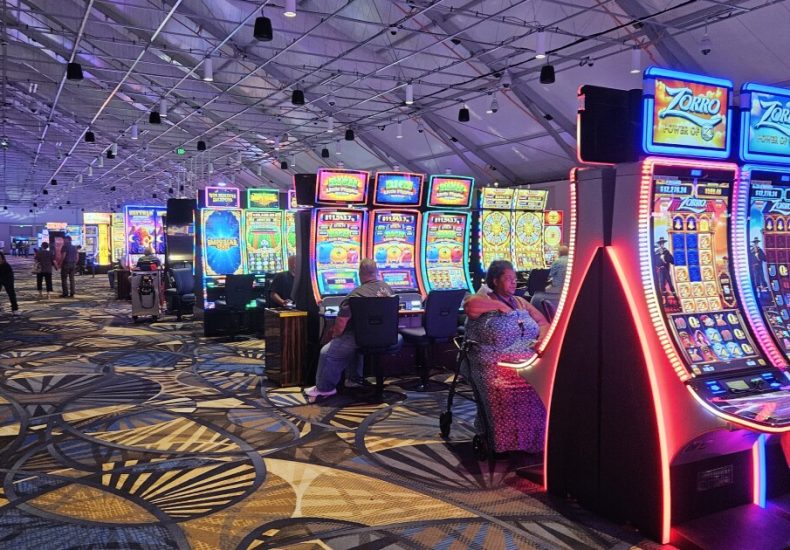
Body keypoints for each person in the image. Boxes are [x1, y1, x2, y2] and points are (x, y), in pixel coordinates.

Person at [462, 260, 549, 454]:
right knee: (503, 390)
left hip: (526, 363)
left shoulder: (520, 301)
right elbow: (470, 306)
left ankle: (532, 441)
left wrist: (542, 340)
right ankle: (505, 444)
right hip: (493, 366)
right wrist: (499, 306)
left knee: (541, 386)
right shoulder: (483, 298)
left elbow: (543, 322)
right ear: (495, 280)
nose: (513, 282)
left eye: (515, 278)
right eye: (508, 278)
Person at [305, 259, 395, 400]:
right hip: (386, 336)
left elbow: (341, 324)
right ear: (376, 271)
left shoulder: (355, 295)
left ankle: (324, 388)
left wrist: (334, 336)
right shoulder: (388, 289)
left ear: (359, 273)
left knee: (327, 352)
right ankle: (354, 379)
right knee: (353, 343)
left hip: (361, 337)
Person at [530, 244, 569, 315]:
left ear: (559, 253)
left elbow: (549, 275)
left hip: (558, 289)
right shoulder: (572, 261)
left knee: (536, 294)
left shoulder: (558, 261)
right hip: (568, 289)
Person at [654, 236, 676, 301]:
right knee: (662, 283)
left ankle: (675, 297)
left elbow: (672, 261)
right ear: (659, 244)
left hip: (666, 269)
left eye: (663, 243)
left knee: (670, 282)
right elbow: (655, 262)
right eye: (661, 243)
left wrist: (665, 258)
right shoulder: (656, 253)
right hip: (661, 270)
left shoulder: (667, 252)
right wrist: (659, 262)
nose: (662, 244)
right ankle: (664, 299)